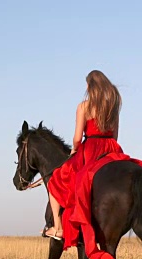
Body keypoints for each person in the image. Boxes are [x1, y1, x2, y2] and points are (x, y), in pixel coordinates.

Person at [44, 70, 124, 240]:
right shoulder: (112, 107)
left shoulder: (84, 106)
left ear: (90, 86)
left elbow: (77, 138)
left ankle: (58, 228)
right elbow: (115, 136)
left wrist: (74, 150)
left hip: (91, 149)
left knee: (56, 181)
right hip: (111, 148)